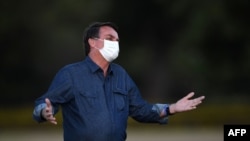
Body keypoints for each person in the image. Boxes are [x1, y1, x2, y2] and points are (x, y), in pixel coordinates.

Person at [32, 21, 205, 141]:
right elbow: (45, 103)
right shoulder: (71, 74)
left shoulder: (121, 75)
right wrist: (44, 112)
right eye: (110, 39)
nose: (115, 43)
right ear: (93, 42)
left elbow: (140, 110)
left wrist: (172, 108)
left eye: (117, 40)